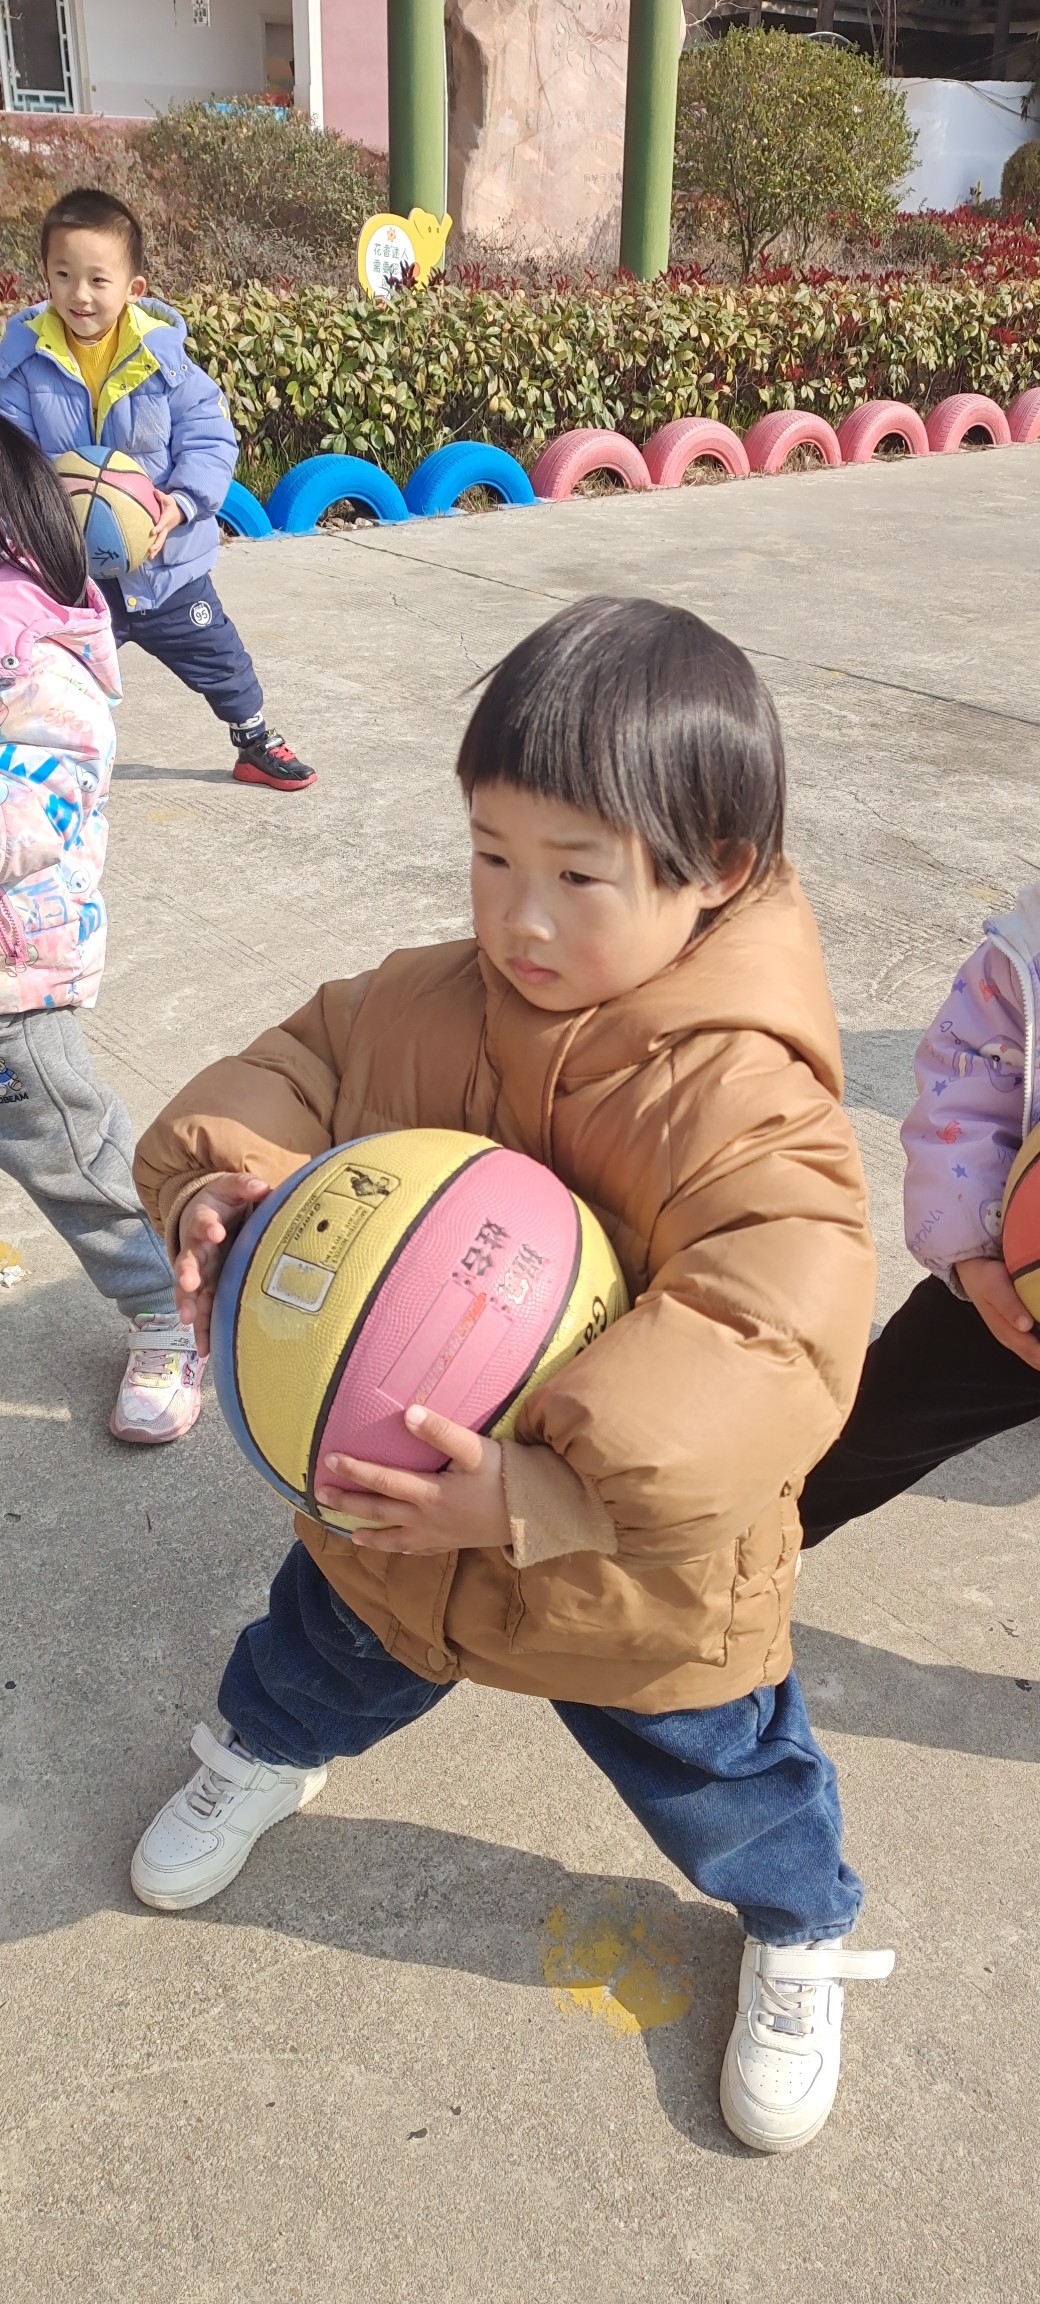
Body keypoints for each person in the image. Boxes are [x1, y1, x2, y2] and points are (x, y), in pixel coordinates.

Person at [129, 598, 893, 2153]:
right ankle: (259, 1761)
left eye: (576, 875)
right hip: (391, 1527)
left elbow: (770, 1331)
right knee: (312, 1659)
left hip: (632, 1579)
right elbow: (293, 1065)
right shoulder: (417, 1001)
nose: (520, 919)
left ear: (713, 872)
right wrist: (224, 1178)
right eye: (491, 856)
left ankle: (799, 1928)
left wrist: (544, 1490)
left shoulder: (745, 1098)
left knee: (720, 1771)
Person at [0, 413, 204, 1441]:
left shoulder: (43, 669)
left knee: (70, 1155)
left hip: (11, 984)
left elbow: (34, 815)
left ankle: (167, 1310)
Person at [0, 186, 314, 794]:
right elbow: (13, 460)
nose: (80, 294)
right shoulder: (25, 366)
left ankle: (254, 741)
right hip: (73, 572)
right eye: (63, 275)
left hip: (165, 564)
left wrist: (184, 503)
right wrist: (36, 523)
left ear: (132, 288)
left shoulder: (165, 364)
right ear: (45, 277)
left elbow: (211, 439)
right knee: (44, 668)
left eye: (98, 279)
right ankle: (37, 757)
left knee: (220, 657)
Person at [800, 886, 1040, 1545]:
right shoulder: (1028, 956)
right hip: (1016, 1280)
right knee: (868, 1432)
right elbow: (971, 1073)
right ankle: (741, 1543)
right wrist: (972, 1248)